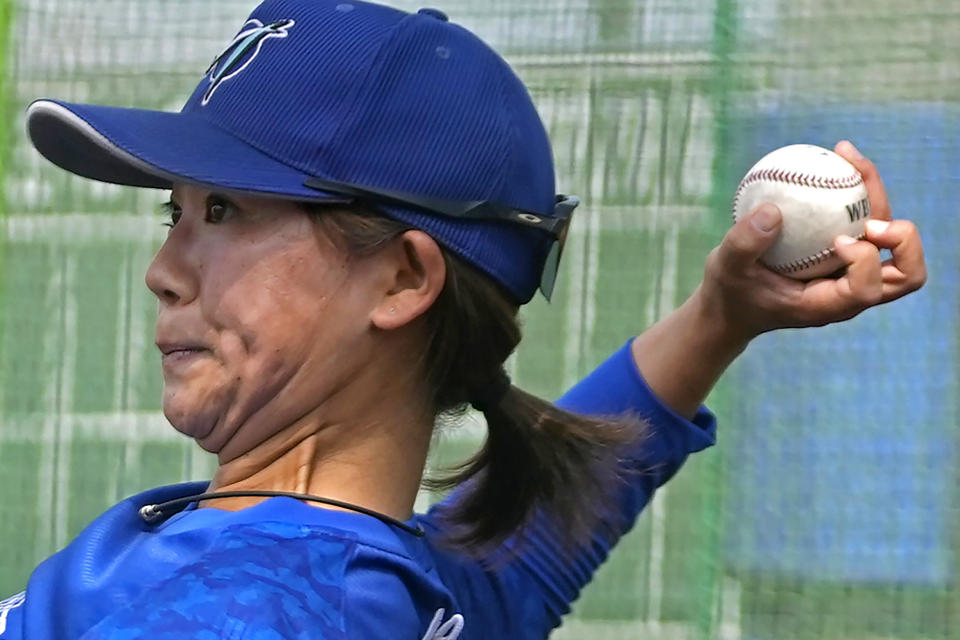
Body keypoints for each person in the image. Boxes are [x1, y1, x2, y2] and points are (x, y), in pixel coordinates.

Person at [1, 0, 925, 638]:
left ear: (404, 279)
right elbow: (528, 544)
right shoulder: (405, 589)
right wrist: (722, 317)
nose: (164, 271)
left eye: (226, 212)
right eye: (178, 211)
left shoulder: (264, 608)